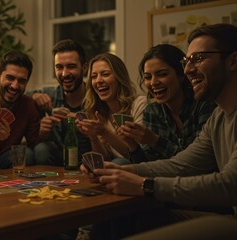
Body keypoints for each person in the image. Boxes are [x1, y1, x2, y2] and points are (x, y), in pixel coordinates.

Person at [84, 23, 237, 237]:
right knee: (132, 216)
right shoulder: (219, 116)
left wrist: (145, 185)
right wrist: (122, 171)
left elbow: (229, 185)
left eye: (199, 58)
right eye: (187, 61)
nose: (189, 69)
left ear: (233, 61)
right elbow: (181, 164)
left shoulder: (208, 110)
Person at [119, 44, 216, 163]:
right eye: (148, 77)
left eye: (162, 74)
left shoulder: (203, 105)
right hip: (165, 179)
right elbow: (148, 166)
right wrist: (132, 145)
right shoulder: (152, 111)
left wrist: (154, 140)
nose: (153, 83)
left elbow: (199, 162)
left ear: (181, 75)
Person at [29, 39, 91, 166]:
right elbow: (19, 94)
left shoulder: (96, 98)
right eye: (59, 67)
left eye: (71, 66)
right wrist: (35, 95)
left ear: (84, 68)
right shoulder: (49, 95)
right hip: (59, 162)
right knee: (41, 149)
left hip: (90, 161)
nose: (64, 73)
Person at [76, 53, 147, 164]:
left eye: (105, 74)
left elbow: (140, 157)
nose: (98, 80)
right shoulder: (97, 111)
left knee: (119, 162)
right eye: (94, 76)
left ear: (119, 77)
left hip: (137, 169)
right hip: (114, 169)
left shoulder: (139, 104)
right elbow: (104, 160)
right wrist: (93, 137)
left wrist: (105, 132)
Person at [0, 50, 40, 168]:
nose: (15, 86)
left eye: (21, 81)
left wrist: (45, 132)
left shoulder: (28, 105)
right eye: (10, 78)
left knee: (27, 155)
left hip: (6, 158)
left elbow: (34, 144)